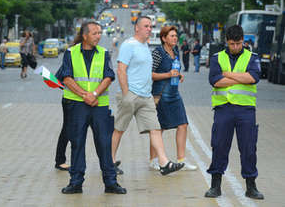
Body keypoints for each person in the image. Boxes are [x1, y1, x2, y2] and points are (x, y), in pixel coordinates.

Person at [59, 20, 126, 194]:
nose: (98, 36)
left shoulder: (103, 53)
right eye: (95, 33)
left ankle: (110, 182)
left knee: (104, 144)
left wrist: (94, 94)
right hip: (76, 106)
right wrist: (84, 95)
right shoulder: (70, 53)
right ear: (85, 35)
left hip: (99, 106)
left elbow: (109, 76)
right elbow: (66, 78)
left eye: (99, 33)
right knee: (77, 143)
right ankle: (76, 182)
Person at [111, 16, 184, 176]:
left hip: (146, 96)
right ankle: (109, 161)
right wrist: (126, 94)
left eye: (151, 26)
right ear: (137, 28)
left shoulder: (146, 46)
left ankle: (164, 163)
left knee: (155, 128)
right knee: (119, 129)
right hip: (131, 95)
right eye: (146, 26)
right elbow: (121, 69)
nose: (149, 29)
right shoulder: (129, 45)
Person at [205, 25, 264, 200]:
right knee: (219, 146)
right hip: (223, 109)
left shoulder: (252, 57)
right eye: (232, 44)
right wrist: (240, 78)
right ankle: (215, 185)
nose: (236, 47)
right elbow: (215, 81)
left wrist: (228, 74)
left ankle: (251, 186)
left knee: (248, 148)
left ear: (243, 41)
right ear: (227, 42)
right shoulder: (217, 57)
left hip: (246, 110)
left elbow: (253, 78)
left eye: (239, 43)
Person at [150, 26, 197, 171]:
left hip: (175, 94)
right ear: (164, 38)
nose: (175, 38)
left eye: (176, 36)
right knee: (159, 128)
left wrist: (179, 75)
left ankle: (181, 160)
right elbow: (149, 74)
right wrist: (168, 75)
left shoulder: (175, 51)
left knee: (183, 124)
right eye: (172, 36)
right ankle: (154, 160)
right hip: (161, 94)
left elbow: (174, 70)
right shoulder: (158, 53)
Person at [53, 67, 70, 171]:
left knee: (100, 131)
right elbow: (57, 79)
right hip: (71, 100)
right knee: (67, 130)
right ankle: (60, 161)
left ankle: (108, 161)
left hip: (94, 100)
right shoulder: (72, 55)